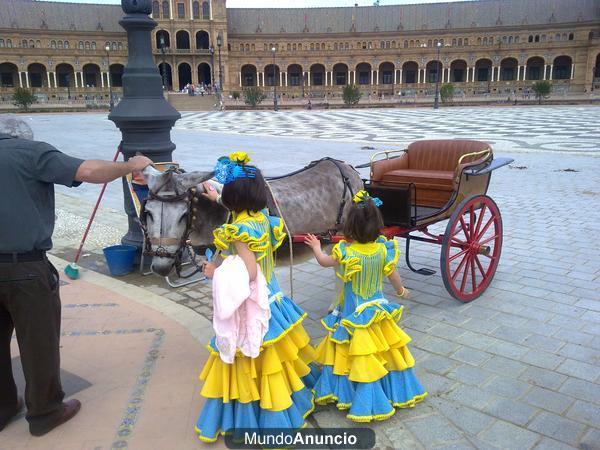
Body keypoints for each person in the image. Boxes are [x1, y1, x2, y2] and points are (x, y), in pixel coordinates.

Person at [0, 115, 153, 436]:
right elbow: (87, 171)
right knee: (37, 342)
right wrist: (131, 165)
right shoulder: (29, 152)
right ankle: (44, 413)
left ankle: (3, 406)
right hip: (24, 268)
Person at [195, 152, 318, 442]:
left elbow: (249, 273)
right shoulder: (264, 218)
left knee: (250, 355)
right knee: (278, 360)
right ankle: (287, 396)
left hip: (253, 303)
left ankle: (256, 413)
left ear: (234, 199)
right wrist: (217, 199)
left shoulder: (237, 232)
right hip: (273, 295)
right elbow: (237, 209)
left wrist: (215, 272)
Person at [304, 190, 427, 423]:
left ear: (349, 226)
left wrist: (315, 247)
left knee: (355, 354)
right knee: (384, 351)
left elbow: (323, 261)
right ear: (377, 224)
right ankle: (390, 390)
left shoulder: (346, 252)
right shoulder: (383, 249)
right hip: (377, 308)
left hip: (354, 314)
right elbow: (392, 274)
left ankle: (357, 395)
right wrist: (401, 292)